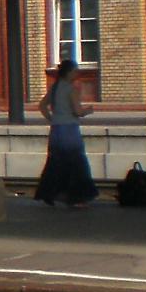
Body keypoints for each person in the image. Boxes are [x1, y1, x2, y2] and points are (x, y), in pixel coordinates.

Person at [35, 59, 99, 207]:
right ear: (69, 72)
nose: (77, 73)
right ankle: (78, 197)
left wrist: (51, 118)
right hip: (69, 129)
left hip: (56, 129)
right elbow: (77, 111)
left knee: (56, 163)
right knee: (76, 163)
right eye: (75, 70)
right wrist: (88, 110)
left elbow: (42, 105)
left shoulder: (55, 87)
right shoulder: (71, 89)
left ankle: (50, 192)